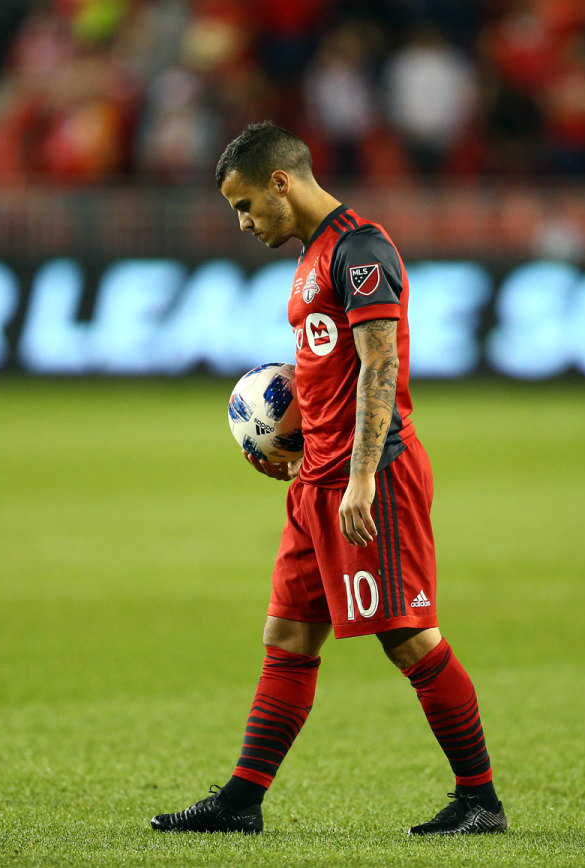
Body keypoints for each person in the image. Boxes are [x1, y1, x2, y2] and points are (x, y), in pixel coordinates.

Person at [151, 122, 506, 837]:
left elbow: (381, 364)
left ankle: (480, 800)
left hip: (370, 481)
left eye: (245, 205)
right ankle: (241, 802)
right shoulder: (312, 255)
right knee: (287, 635)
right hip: (315, 481)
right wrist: (299, 448)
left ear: (281, 183)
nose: (244, 222)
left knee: (409, 638)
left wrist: (362, 478)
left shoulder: (360, 250)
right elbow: (329, 372)